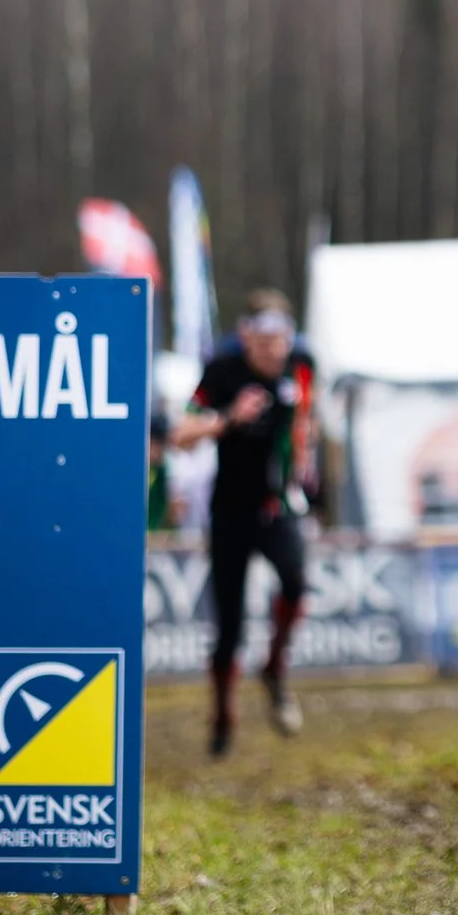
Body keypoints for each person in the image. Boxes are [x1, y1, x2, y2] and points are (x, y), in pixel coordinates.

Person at [173, 289, 316, 755]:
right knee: (229, 626)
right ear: (246, 337)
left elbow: (306, 420)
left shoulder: (302, 366)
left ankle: (274, 669)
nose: (274, 351)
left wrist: (303, 458)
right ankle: (223, 718)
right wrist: (228, 419)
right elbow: (182, 434)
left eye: (281, 341)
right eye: (265, 341)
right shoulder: (221, 372)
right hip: (230, 509)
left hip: (277, 507)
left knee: (296, 584)